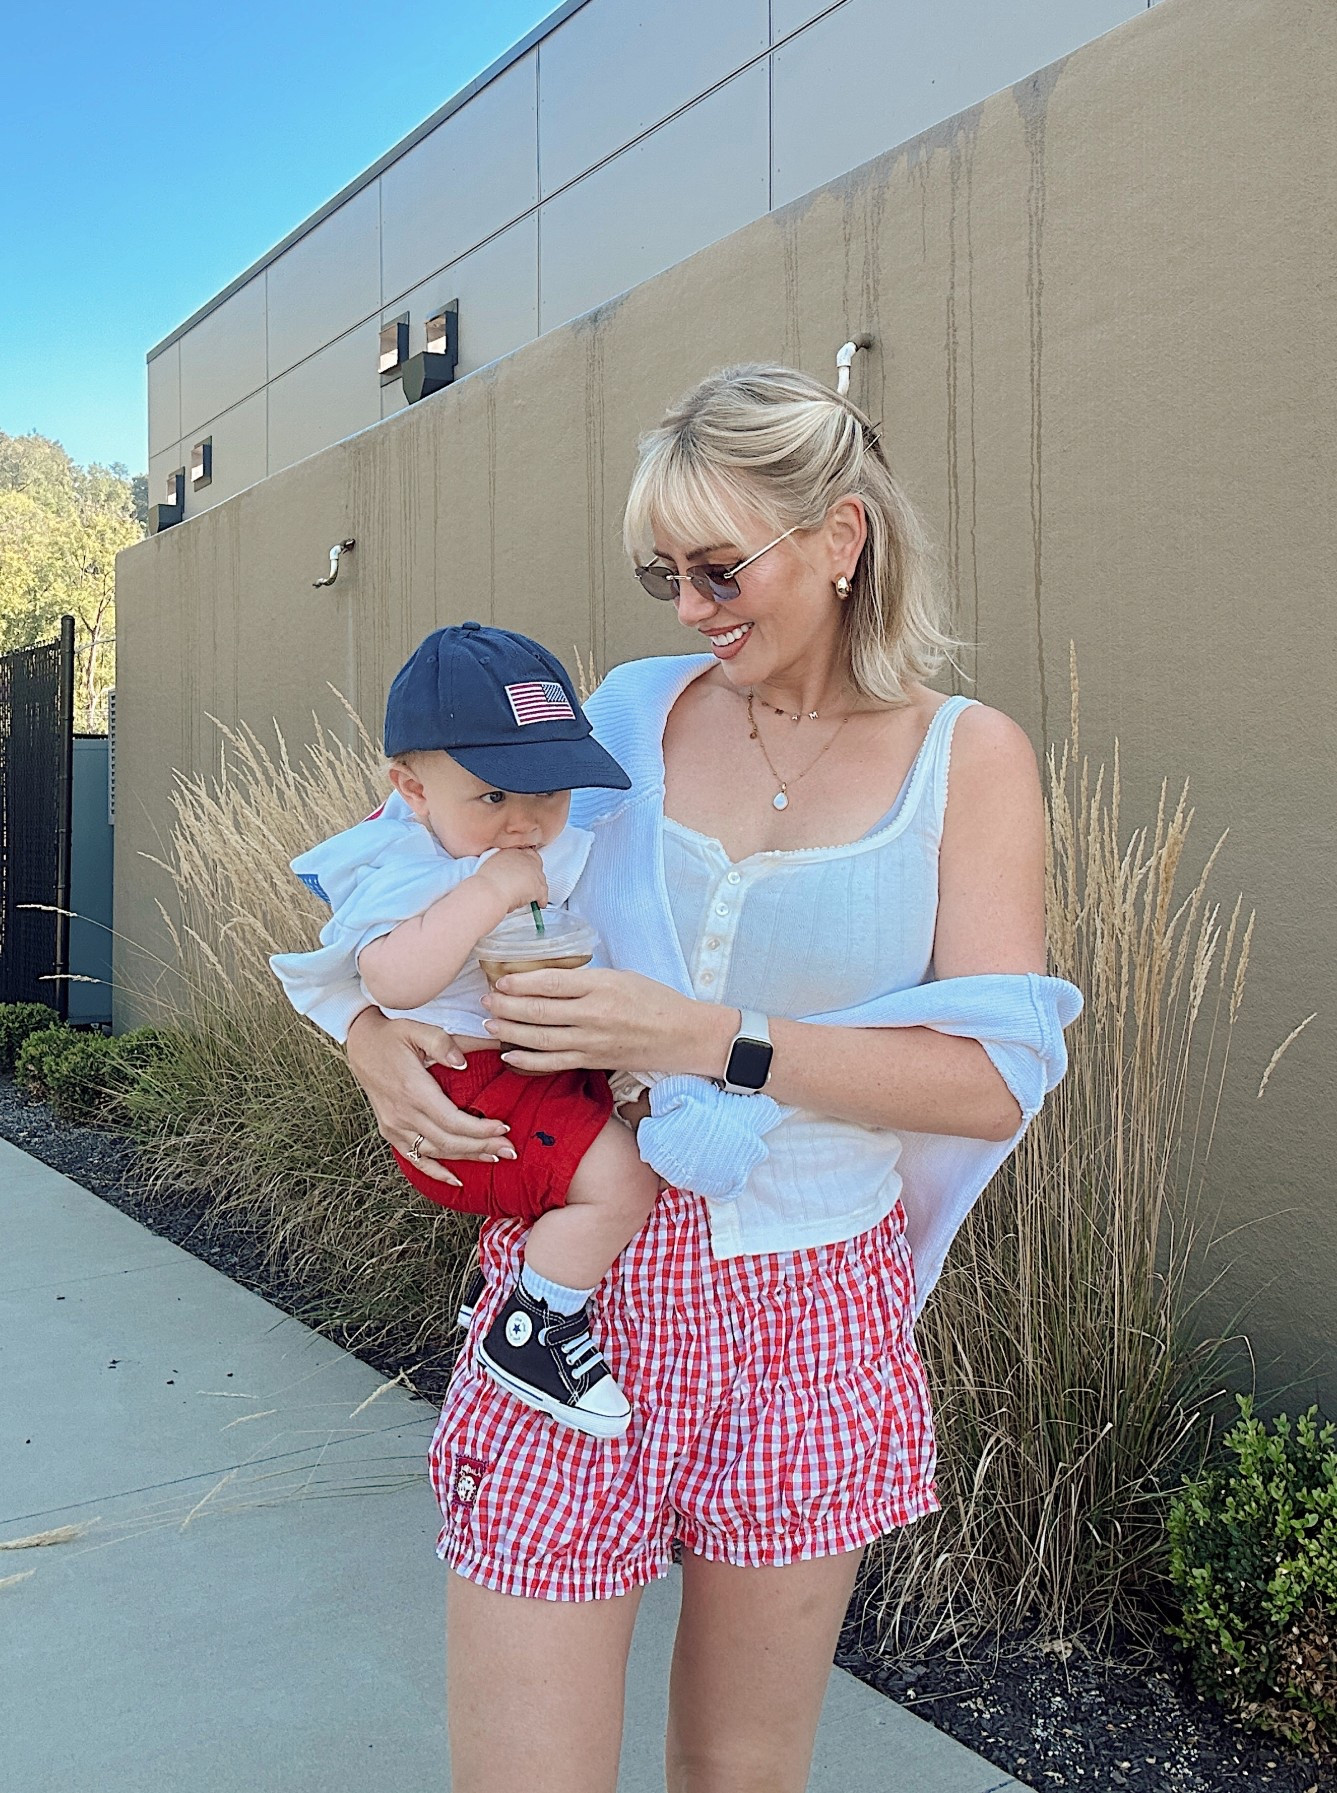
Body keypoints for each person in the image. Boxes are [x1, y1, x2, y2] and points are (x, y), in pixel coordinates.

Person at [328, 365, 1081, 1793]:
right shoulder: (618, 714)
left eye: (720, 566)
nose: (689, 605)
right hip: (578, 1297)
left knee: (741, 1772)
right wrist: (370, 1045)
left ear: (843, 537)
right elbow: (383, 885)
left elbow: (990, 1082)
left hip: (812, 1308)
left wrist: (699, 1035)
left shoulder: (965, 762)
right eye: (664, 572)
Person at [270, 622, 661, 1437]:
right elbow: (390, 977)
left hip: (532, 1073)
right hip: (466, 1093)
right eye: (493, 797)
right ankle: (534, 1327)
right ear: (412, 790)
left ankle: (509, 1289)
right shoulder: (407, 867)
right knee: (624, 1182)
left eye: (548, 795)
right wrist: (485, 891)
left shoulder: (530, 848)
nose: (524, 823)